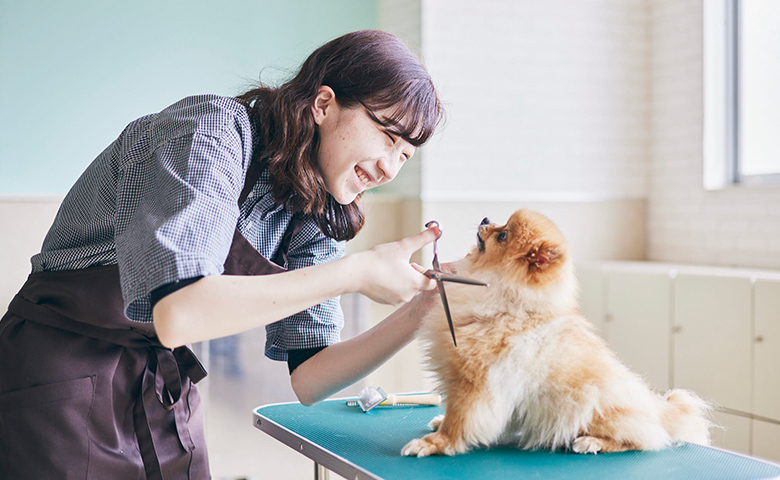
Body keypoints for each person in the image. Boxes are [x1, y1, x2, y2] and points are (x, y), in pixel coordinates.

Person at [0, 30, 443, 479]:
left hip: (160, 388)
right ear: (324, 104)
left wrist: (422, 310)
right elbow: (179, 315)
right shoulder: (211, 129)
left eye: (405, 156)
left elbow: (311, 377)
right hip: (61, 378)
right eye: (387, 136)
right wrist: (357, 272)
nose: (390, 167)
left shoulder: (316, 208)